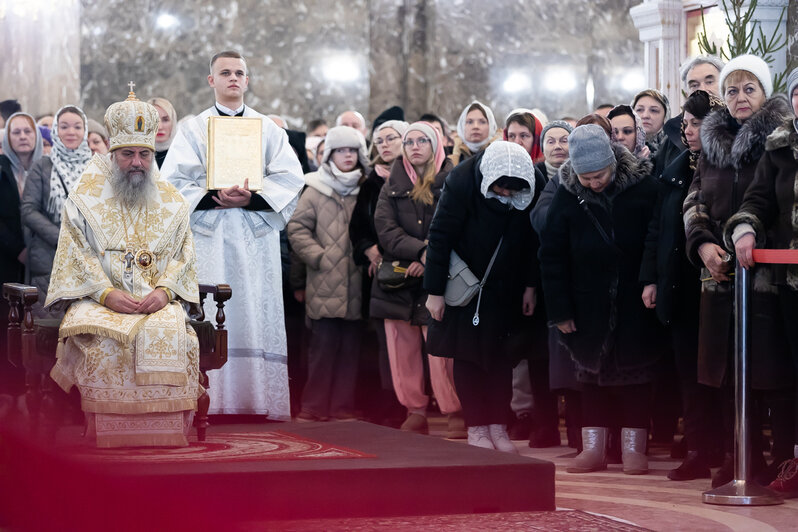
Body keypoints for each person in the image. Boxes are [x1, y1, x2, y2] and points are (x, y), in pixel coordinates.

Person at [45, 90, 201, 448]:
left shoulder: (173, 204)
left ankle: (166, 429)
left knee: (181, 337)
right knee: (101, 342)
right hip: (99, 301)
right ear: (113, 154)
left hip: (154, 302)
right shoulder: (84, 201)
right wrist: (105, 293)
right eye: (128, 153)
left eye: (144, 154)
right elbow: (75, 253)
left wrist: (164, 292)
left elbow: (183, 256)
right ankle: (106, 429)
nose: (137, 162)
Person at [163, 50, 304, 419]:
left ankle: (257, 401)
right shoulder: (193, 129)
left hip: (253, 236)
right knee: (211, 309)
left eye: (239, 72)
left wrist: (253, 197)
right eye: (224, 73)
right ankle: (212, 399)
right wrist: (213, 196)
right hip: (210, 234)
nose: (233, 78)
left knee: (253, 310)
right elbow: (173, 182)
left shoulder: (268, 129)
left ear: (247, 80)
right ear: (211, 80)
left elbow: (291, 178)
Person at [683, 54, 793, 488]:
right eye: (731, 89)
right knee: (729, 373)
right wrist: (704, 243)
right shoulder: (712, 143)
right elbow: (694, 201)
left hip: (769, 276)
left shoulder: (779, 140)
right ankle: (740, 456)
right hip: (722, 277)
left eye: (749, 88)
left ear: (765, 92)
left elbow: (773, 203)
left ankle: (783, 458)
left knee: (775, 372)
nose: (740, 97)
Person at [539, 125, 659, 475]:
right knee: (590, 377)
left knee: (637, 377)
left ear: (612, 162)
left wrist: (651, 280)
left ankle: (634, 449)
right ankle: (593, 448)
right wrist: (559, 310)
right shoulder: (566, 193)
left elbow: (655, 239)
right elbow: (551, 255)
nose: (594, 183)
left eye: (600, 175)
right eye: (586, 177)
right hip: (586, 302)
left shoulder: (644, 188)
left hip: (635, 298)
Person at [424, 141, 538, 453]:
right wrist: (434, 292)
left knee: (502, 358)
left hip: (507, 285)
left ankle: (498, 427)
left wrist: (529, 285)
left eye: (511, 191)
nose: (505, 195)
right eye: (500, 189)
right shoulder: (462, 181)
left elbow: (531, 242)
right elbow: (439, 236)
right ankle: (476, 427)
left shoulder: (531, 182)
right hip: (465, 288)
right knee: (468, 358)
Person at [640, 90, 726, 481]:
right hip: (678, 282)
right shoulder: (674, 165)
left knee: (718, 374)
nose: (686, 130)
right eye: (686, 122)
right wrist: (651, 278)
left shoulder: (726, 163)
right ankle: (697, 448)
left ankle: (726, 451)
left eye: (694, 123)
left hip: (714, 282)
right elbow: (657, 226)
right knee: (688, 374)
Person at [724, 67, 798, 496]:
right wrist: (745, 229)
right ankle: (792, 461)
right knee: (788, 377)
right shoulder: (778, 147)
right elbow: (756, 200)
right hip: (788, 284)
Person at [370, 122, 463, 437]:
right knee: (401, 348)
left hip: (439, 279)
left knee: (442, 351)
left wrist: (430, 260)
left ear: (437, 144)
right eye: (409, 141)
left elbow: (456, 225)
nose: (415, 146)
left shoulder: (454, 179)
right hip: (398, 279)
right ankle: (415, 410)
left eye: (423, 140)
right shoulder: (392, 182)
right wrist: (420, 251)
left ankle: (454, 410)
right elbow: (384, 227)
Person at [287, 126, 366, 422]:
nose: (347, 156)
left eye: (352, 150)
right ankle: (314, 406)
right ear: (330, 153)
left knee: (350, 352)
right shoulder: (316, 188)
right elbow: (296, 228)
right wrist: (319, 256)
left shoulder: (365, 187)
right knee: (322, 350)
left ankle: (342, 407)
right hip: (323, 283)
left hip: (356, 284)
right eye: (341, 150)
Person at [349, 119, 408, 426]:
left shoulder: (416, 175)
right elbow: (358, 226)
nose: (384, 144)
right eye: (379, 140)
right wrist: (369, 249)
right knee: (385, 343)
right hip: (380, 272)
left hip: (412, 267)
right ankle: (387, 402)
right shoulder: (371, 181)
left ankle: (413, 405)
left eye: (392, 138)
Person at [22, 105, 93, 316]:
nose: (71, 132)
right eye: (64, 126)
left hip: (87, 257)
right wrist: (61, 235)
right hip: (49, 257)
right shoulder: (42, 166)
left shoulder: (95, 167)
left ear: (85, 131)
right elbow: (28, 210)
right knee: (48, 328)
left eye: (77, 127)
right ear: (55, 131)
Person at [0, 112, 40, 405]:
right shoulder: (1, 169)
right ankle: (11, 391)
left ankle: (38, 389)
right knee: (8, 322)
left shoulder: (46, 167)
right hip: (8, 257)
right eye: (17, 132)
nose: (23, 136)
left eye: (28, 131)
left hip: (42, 256)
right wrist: (18, 250)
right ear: (7, 138)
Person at [653, 55, 724, 178]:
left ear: (724, 85)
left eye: (709, 82)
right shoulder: (673, 133)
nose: (703, 89)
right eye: (694, 85)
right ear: (686, 93)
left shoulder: (739, 128)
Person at [449, 101, 500, 166]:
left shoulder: (501, 155)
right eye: (470, 122)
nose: (475, 126)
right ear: (462, 126)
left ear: (491, 125)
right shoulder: (449, 157)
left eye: (482, 122)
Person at [632, 89, 669, 158]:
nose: (645, 116)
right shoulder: (621, 144)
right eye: (639, 110)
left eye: (654, 110)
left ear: (665, 117)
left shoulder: (674, 149)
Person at [148, 97, 178, 168]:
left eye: (165, 120)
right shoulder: (137, 157)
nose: (160, 127)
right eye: (154, 120)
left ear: (173, 122)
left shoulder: (185, 154)